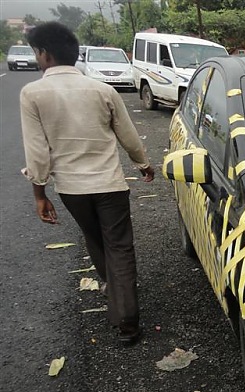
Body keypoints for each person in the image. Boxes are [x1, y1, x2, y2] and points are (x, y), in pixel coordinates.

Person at [20, 22, 155, 345]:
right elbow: (128, 135)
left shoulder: (33, 94)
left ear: (44, 54)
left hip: (71, 189)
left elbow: (37, 152)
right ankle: (127, 320)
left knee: (95, 239)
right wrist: (143, 164)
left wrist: (39, 194)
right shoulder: (101, 91)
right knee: (120, 245)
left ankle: (116, 292)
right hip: (110, 184)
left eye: (36, 53)